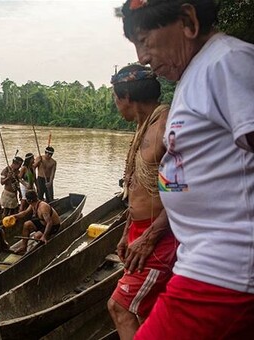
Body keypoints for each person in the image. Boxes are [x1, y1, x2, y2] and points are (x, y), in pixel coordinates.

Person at [121, 1, 254, 339]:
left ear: (188, 21)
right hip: (198, 259)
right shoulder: (191, 77)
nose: (141, 56)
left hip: (225, 268)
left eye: (145, 39)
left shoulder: (227, 62)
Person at [106, 64, 178, 340]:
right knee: (147, 311)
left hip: (159, 235)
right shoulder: (142, 129)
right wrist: (126, 233)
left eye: (115, 99)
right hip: (140, 232)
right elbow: (137, 190)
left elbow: (181, 195)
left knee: (119, 307)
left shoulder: (166, 129)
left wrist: (148, 238)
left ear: (126, 97)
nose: (116, 106)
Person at [9, 190, 61, 255]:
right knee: (26, 224)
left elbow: (49, 223)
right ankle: (23, 247)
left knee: (36, 236)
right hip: (43, 223)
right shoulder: (33, 204)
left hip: (53, 226)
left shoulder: (43, 207)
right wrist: (14, 216)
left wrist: (44, 236)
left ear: (29, 200)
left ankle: (46, 247)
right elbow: (25, 213)